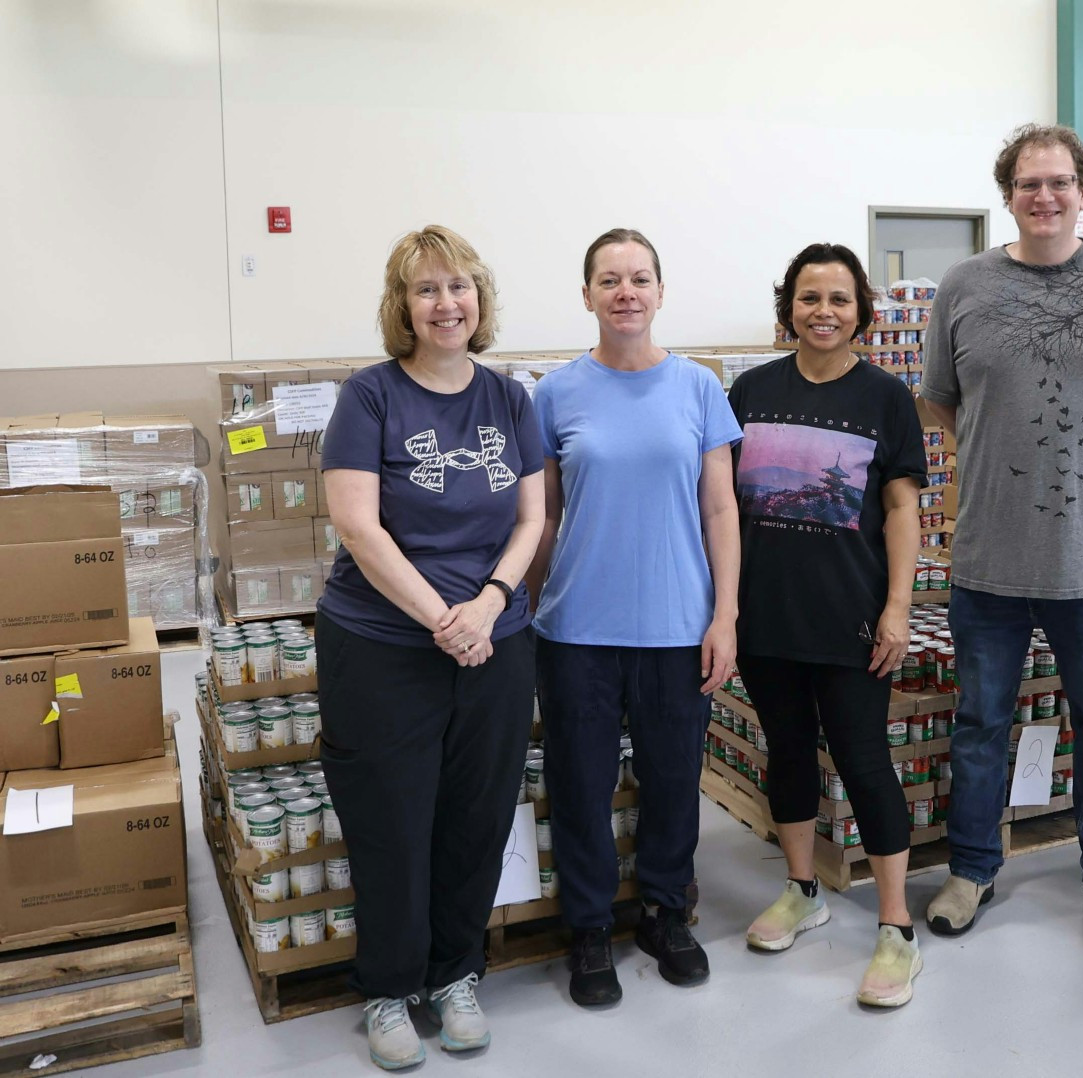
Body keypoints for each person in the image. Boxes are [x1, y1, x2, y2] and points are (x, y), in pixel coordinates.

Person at [919, 124, 1083, 955]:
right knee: (979, 722)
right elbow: (944, 403)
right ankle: (971, 869)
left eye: (1060, 182)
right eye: (1029, 183)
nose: (1045, 196)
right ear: (1008, 194)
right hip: (989, 558)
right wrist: (1005, 458)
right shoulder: (964, 284)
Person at [316, 224, 545, 1070]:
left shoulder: (509, 398)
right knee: (389, 820)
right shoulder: (370, 396)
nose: (445, 304)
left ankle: (456, 973)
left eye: (459, 287)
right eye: (426, 290)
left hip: (494, 640)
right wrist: (441, 621)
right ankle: (387, 989)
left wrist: (487, 605)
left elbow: (532, 518)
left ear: (478, 299)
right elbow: (357, 524)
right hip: (381, 644)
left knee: (476, 816)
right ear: (402, 306)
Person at [525, 228, 741, 1007]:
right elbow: (542, 518)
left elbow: (720, 508)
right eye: (609, 279)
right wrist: (529, 605)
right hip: (577, 627)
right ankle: (587, 928)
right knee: (580, 784)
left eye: (639, 278)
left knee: (675, 779)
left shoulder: (699, 388)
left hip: (679, 627)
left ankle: (662, 910)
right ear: (586, 295)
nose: (625, 292)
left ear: (659, 291)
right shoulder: (554, 394)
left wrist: (727, 616)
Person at [728, 243, 927, 1006]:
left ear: (862, 312)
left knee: (864, 759)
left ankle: (895, 928)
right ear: (788, 310)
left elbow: (902, 507)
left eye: (839, 299)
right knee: (787, 753)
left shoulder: (885, 397)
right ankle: (803, 887)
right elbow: (723, 506)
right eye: (809, 298)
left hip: (851, 617)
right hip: (766, 614)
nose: (823, 312)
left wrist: (898, 608)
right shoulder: (749, 391)